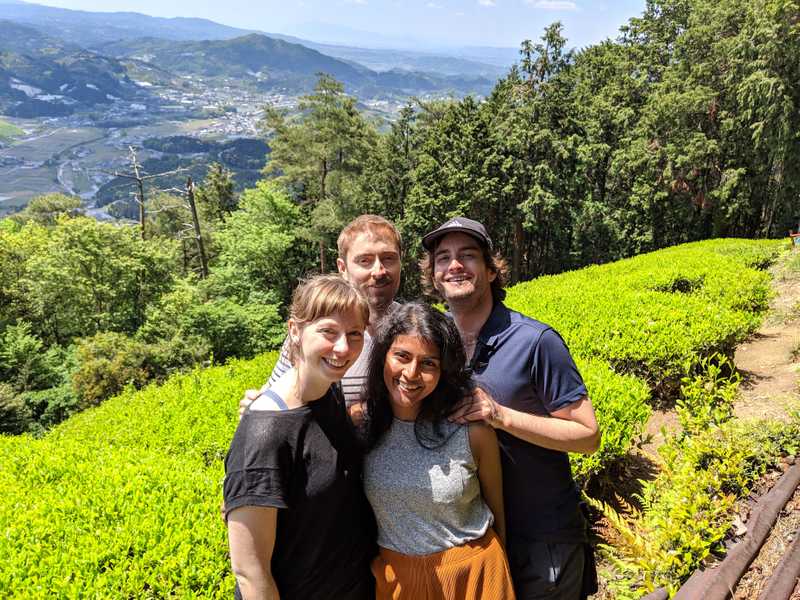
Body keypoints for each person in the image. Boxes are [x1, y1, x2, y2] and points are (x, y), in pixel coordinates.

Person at [419, 217, 601, 600]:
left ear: (489, 269)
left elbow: (587, 435)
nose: (455, 265)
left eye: (468, 255)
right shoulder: (437, 346)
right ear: (434, 276)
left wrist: (500, 416)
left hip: (541, 542)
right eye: (443, 258)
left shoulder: (536, 342)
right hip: (475, 541)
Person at [223, 274, 377, 600]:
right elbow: (250, 573)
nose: (343, 348)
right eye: (328, 332)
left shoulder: (329, 392)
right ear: (295, 330)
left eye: (354, 334)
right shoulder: (265, 432)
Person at [361, 302, 516, 600]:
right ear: (383, 357)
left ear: (444, 370)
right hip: (398, 582)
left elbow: (498, 512)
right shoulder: (363, 427)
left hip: (475, 576)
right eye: (402, 356)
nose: (411, 373)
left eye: (428, 363)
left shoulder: (472, 430)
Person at [243, 215, 403, 420]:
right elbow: (276, 399)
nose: (378, 271)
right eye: (365, 261)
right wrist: (258, 409)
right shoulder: (313, 336)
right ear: (342, 268)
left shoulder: (415, 331)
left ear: (401, 261)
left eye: (388, 258)